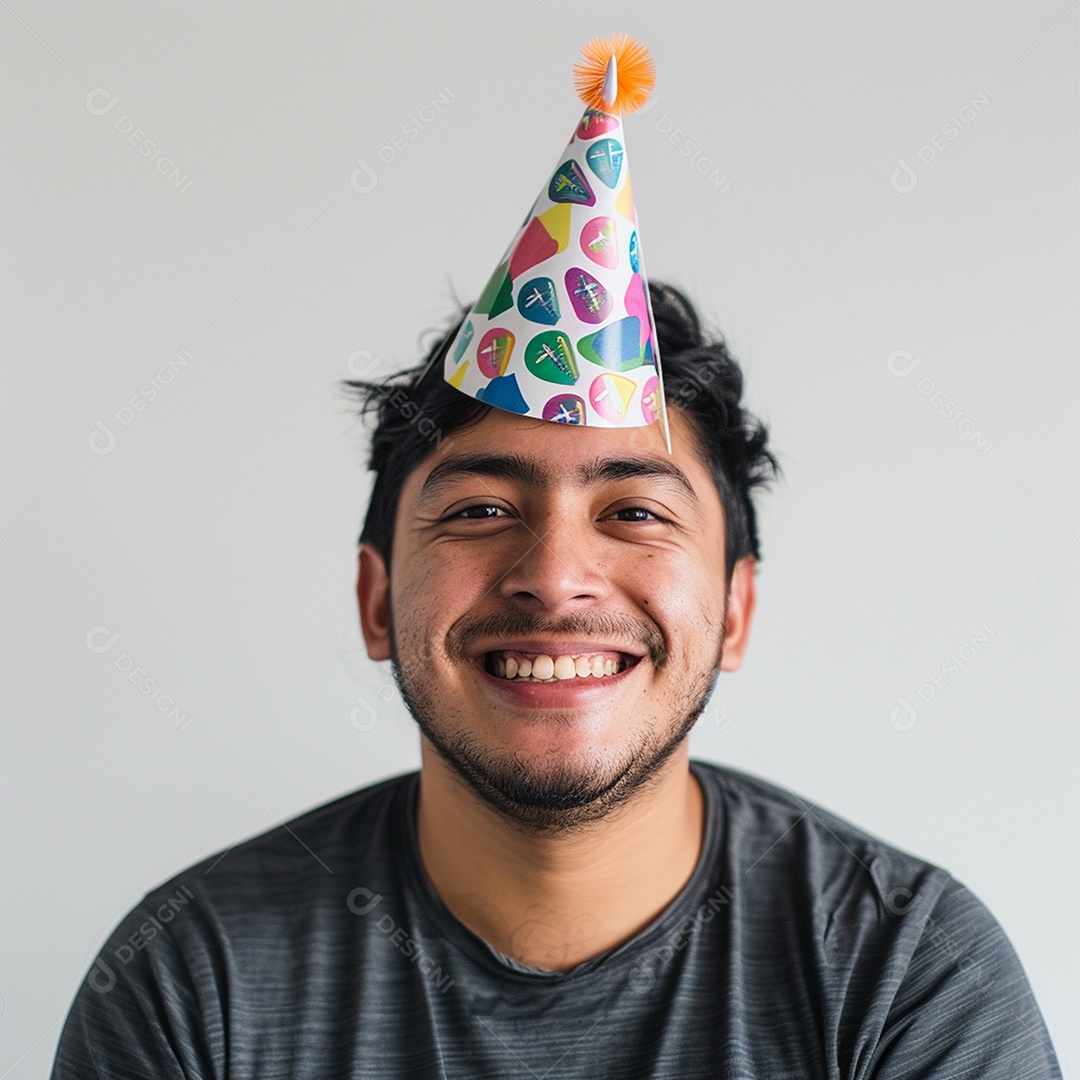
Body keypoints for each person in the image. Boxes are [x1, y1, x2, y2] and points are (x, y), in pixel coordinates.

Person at [53, 34, 1061, 1079]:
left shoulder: (907, 975)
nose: (554, 574)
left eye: (634, 512)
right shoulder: (190, 978)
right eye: (484, 509)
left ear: (737, 611)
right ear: (374, 596)